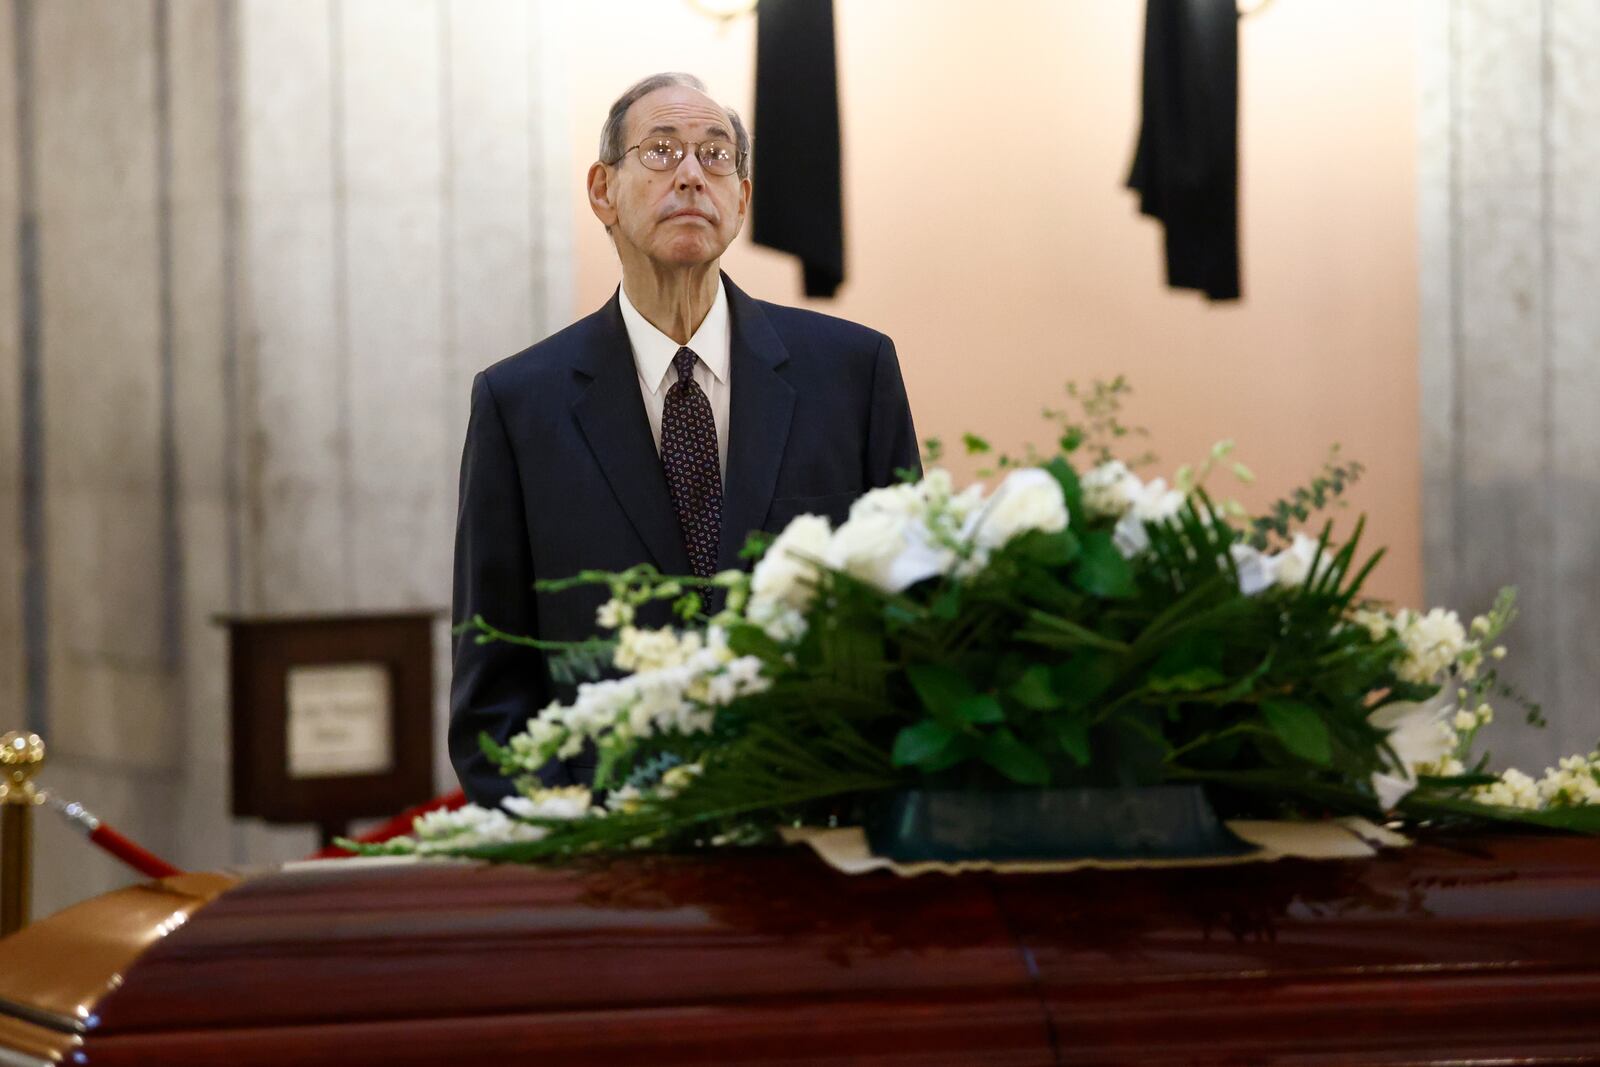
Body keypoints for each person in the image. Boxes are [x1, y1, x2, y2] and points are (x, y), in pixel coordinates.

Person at [449, 72, 920, 805]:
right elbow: (493, 683)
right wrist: (568, 832)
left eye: (716, 155)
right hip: (607, 849)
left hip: (817, 829)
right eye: (662, 151)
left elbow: (911, 624)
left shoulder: (853, 374)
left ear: (743, 199)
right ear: (603, 190)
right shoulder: (519, 404)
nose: (693, 175)